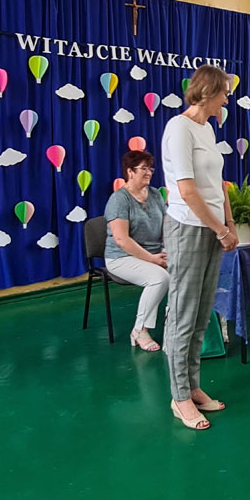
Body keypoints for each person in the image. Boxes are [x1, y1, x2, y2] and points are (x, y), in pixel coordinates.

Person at [161, 64, 238, 430]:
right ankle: (179, 397)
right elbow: (187, 191)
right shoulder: (179, 128)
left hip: (212, 228)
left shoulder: (207, 128)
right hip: (188, 228)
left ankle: (192, 386)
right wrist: (221, 230)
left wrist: (228, 224)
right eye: (224, 93)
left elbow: (217, 185)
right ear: (208, 92)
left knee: (202, 313)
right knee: (183, 313)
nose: (227, 100)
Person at [104, 150, 169, 352]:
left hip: (155, 254)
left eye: (150, 168)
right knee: (159, 279)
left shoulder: (155, 194)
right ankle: (140, 330)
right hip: (121, 257)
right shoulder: (119, 199)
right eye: (143, 168)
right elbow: (122, 240)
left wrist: (169, 251)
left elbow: (166, 227)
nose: (149, 172)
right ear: (130, 172)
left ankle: (177, 324)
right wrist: (152, 259)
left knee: (189, 269)